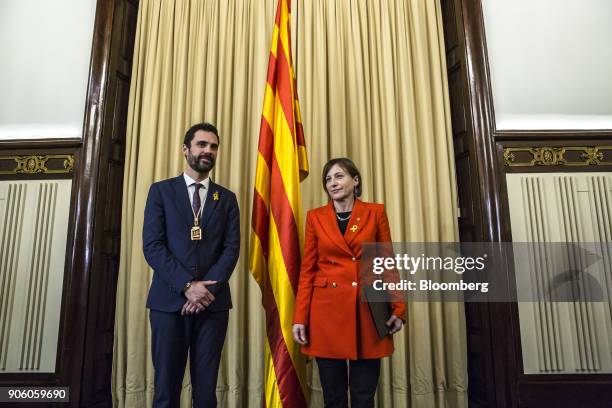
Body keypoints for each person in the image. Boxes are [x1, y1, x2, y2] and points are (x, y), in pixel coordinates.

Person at [292, 157, 405, 408]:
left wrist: (399, 308)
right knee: (333, 397)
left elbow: (386, 263)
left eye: (339, 176)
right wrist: (300, 317)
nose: (333, 183)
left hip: (367, 310)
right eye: (328, 179)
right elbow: (308, 271)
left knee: (364, 396)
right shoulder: (315, 217)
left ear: (355, 181)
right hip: (326, 314)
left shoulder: (375, 213)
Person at [143, 122, 240, 408]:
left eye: (213, 146)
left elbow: (231, 249)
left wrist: (204, 292)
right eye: (201, 144)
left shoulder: (227, 198)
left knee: (206, 390)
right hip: (168, 304)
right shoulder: (160, 192)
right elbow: (153, 246)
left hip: (213, 306)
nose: (207, 151)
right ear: (186, 150)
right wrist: (187, 287)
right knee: (166, 388)